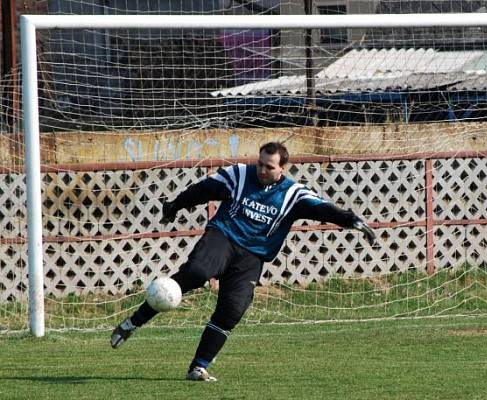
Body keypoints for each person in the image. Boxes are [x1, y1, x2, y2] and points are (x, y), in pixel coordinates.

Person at [110, 142, 376, 382]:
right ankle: (133, 323)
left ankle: (198, 367)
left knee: (233, 309)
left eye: (268, 166)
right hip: (223, 237)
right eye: (259, 163)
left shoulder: (293, 194)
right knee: (196, 272)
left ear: (282, 168)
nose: (261, 169)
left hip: (253, 256)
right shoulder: (239, 175)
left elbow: (322, 208)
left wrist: (351, 220)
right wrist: (175, 206)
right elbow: (203, 190)